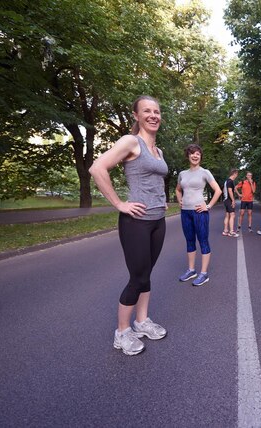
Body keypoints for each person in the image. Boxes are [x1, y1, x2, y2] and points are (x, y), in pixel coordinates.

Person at [89, 95, 169, 356]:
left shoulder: (158, 150)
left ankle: (141, 321)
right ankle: (122, 333)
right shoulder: (130, 141)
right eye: (147, 111)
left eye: (156, 111)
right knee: (137, 278)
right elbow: (97, 168)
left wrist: (162, 201)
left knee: (146, 274)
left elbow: (154, 180)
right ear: (136, 115)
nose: (153, 115)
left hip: (158, 220)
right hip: (136, 223)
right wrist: (119, 203)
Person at [175, 144, 222, 286]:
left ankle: (203, 273)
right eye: (192, 153)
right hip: (185, 212)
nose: (195, 156)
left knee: (203, 241)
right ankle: (191, 270)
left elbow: (218, 190)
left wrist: (208, 206)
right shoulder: (182, 174)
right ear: (188, 155)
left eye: (198, 154)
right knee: (189, 241)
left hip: (199, 212)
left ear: (200, 157)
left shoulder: (205, 172)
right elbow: (178, 190)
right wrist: (180, 201)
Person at [222, 168, 240, 237]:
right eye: (237, 174)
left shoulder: (226, 181)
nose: (237, 176)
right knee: (232, 215)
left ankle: (225, 231)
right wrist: (233, 200)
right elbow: (230, 191)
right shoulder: (230, 181)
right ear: (234, 173)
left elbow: (224, 191)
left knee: (227, 215)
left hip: (226, 200)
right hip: (229, 200)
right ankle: (231, 232)